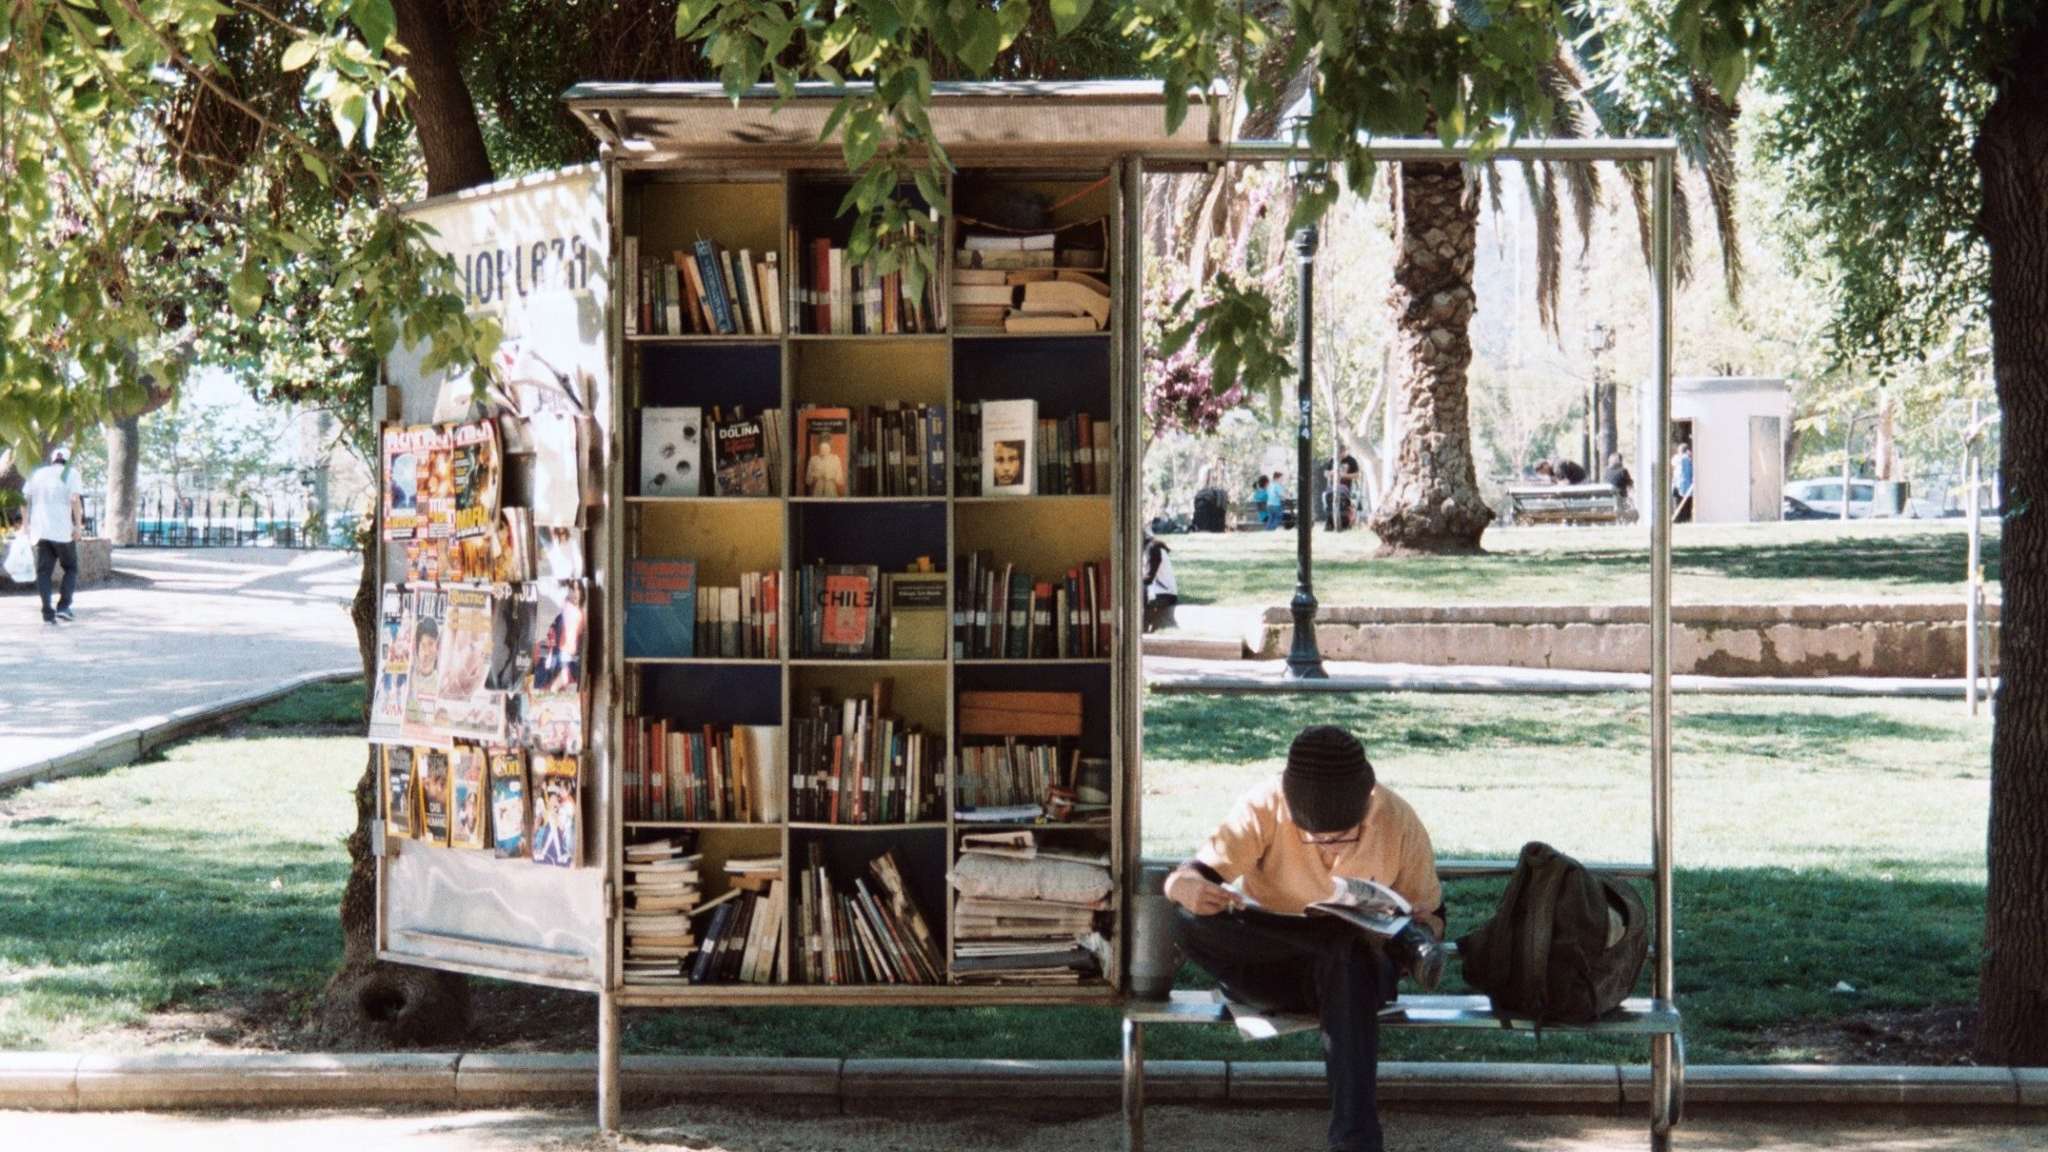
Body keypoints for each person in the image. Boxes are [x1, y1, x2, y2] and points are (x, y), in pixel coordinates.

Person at [1166, 726, 1445, 1152]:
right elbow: (1192, 876)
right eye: (1312, 833)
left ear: (1367, 800)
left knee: (1348, 955)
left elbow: (1433, 916)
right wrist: (1183, 887)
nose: (1328, 845)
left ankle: (1355, 1144)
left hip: (1354, 978)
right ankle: (1332, 937)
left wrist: (1422, 927)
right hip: (1268, 965)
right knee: (1188, 921)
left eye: (1343, 834)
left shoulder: (1397, 819)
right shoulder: (1264, 804)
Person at [23, 447, 84, 624]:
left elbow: (24, 499)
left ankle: (47, 613)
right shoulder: (71, 473)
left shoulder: (38, 474)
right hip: (62, 531)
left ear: (53, 460)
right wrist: (78, 527)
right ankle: (63, 608)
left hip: (41, 531)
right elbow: (74, 500)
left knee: (43, 572)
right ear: (68, 460)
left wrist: (26, 526)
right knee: (71, 568)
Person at [1142, 531, 1178, 633]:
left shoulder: (1153, 549)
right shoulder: (1149, 548)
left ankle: (1142, 631)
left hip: (1165, 594)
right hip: (1158, 592)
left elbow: (1149, 577)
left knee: (1139, 592)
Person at [1605, 451, 1636, 521]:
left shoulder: (1606, 471)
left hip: (1608, 497)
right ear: (1620, 461)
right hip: (1621, 498)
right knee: (1629, 500)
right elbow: (1630, 483)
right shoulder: (1623, 471)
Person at [1672, 441, 1695, 522]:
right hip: (1685, 486)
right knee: (1685, 505)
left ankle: (1678, 519)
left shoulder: (1676, 459)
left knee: (1678, 504)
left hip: (1677, 486)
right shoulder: (1685, 459)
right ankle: (1684, 519)